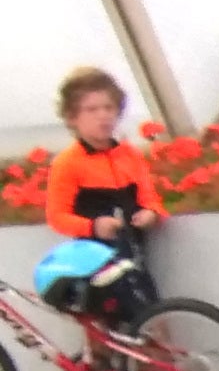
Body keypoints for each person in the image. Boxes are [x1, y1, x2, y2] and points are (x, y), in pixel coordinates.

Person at [40, 70, 162, 256]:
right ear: (73, 117)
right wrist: (93, 226)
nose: (103, 115)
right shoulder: (67, 162)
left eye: (109, 108)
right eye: (92, 109)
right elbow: (57, 217)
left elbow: (150, 199)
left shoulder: (131, 155)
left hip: (134, 254)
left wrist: (151, 214)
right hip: (93, 259)